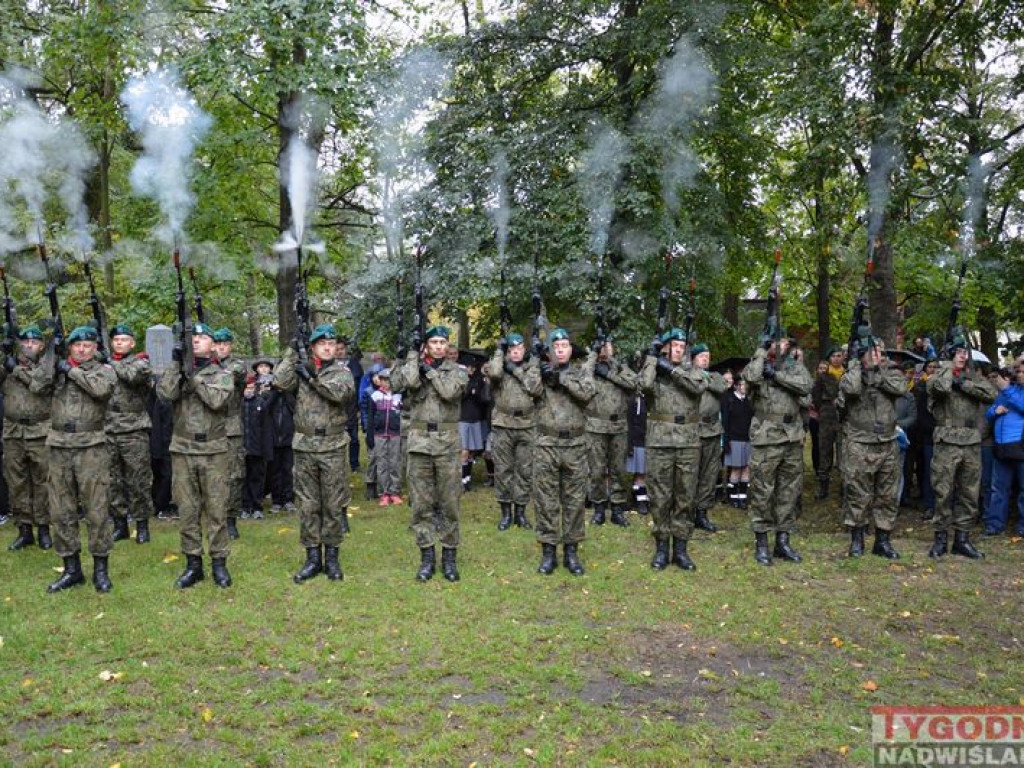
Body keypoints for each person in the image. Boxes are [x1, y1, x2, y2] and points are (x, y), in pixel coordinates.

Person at [274, 324, 356, 583]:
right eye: (323, 344)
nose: (328, 347)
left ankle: (332, 558)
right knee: (308, 504)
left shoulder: (342, 373)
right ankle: (312, 558)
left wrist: (312, 378)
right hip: (305, 446)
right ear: (313, 347)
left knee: (332, 504)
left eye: (332, 344)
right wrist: (291, 352)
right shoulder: (300, 370)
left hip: (332, 445)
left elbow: (337, 395)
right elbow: (278, 381)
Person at [158, 323, 236, 589]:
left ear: (213, 345)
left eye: (203, 337)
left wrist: (195, 376)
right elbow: (165, 393)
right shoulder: (179, 370)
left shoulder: (222, 373)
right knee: (188, 510)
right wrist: (176, 365)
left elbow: (216, 400)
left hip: (213, 451)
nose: (196, 341)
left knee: (216, 509)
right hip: (182, 449)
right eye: (193, 338)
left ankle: (219, 563)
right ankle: (193, 563)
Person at [41, 326, 117, 593]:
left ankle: (100, 570)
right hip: (59, 445)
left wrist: (70, 370)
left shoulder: (104, 370)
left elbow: (100, 390)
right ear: (70, 347)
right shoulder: (56, 369)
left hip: (90, 447)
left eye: (87, 346)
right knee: (61, 510)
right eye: (77, 346)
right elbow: (38, 384)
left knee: (96, 509)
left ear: (95, 348)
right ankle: (72, 569)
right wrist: (52, 352)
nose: (82, 350)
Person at [391, 325, 468, 582]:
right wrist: (412, 356)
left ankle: (449, 556)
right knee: (421, 504)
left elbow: (449, 393)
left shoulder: (457, 371)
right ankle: (426, 557)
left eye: (442, 342)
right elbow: (404, 382)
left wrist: (432, 373)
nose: (438, 346)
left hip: (447, 444)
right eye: (433, 342)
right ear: (426, 345)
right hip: (419, 443)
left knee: (449, 502)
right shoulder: (415, 367)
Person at [743, 332, 813, 565]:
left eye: (783, 342)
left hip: (792, 436)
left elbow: (805, 387)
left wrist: (778, 376)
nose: (780, 346)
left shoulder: (794, 368)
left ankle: (783, 541)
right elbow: (750, 378)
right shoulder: (758, 364)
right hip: (767, 436)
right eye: (775, 341)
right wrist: (761, 353)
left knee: (789, 490)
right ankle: (761, 542)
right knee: (762, 490)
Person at [640, 328, 707, 571]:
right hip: (660, 441)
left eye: (682, 345)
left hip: (688, 442)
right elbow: (643, 385)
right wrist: (652, 358)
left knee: (685, 496)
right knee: (660, 496)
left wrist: (672, 369)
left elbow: (697, 388)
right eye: (674, 345)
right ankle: (661, 547)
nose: (678, 349)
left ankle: (681, 548)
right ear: (666, 347)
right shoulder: (655, 373)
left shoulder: (693, 371)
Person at [925, 331, 996, 558]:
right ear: (949, 354)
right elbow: (941, 389)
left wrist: (963, 383)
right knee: (943, 491)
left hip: (971, 441)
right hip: (947, 441)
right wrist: (948, 369)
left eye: (965, 352)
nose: (962, 356)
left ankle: (962, 539)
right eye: (957, 352)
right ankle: (940, 538)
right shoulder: (938, 375)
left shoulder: (973, 377)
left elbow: (991, 394)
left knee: (969, 492)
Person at [835, 335, 907, 558]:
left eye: (881, 352)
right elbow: (852, 389)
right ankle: (857, 539)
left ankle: (883, 540)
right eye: (873, 352)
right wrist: (857, 365)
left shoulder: (891, 373)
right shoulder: (851, 376)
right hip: (859, 442)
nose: (879, 356)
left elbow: (900, 388)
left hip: (887, 442)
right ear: (862, 354)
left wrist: (877, 372)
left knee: (887, 494)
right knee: (858, 493)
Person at [532, 328, 596, 575]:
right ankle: (548, 551)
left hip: (575, 446)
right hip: (547, 444)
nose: (560, 350)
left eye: (564, 346)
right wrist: (538, 365)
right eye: (555, 347)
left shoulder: (581, 372)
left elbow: (587, 394)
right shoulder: (539, 370)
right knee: (546, 500)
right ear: (550, 351)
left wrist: (562, 379)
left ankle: (571, 551)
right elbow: (529, 389)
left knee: (574, 500)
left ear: (571, 350)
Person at [1, 325, 52, 552]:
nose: (28, 345)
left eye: (33, 342)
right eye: (24, 342)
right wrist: (4, 355)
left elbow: (40, 385)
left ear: (41, 345)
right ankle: (24, 529)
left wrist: (16, 370)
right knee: (16, 482)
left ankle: (44, 528)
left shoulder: (47, 365)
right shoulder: (9, 364)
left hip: (40, 431)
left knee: (43, 481)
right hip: (13, 432)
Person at [105, 324, 155, 544]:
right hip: (108, 428)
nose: (119, 343)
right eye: (116, 340)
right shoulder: (103, 363)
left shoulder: (141, 362)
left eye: (124, 340)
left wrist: (110, 363)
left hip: (133, 429)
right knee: (112, 480)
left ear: (132, 343)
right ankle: (120, 524)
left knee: (138, 480)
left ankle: (142, 524)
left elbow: (131, 376)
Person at [487, 332, 542, 530]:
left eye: (518, 348)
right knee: (503, 470)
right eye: (511, 349)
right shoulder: (499, 368)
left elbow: (535, 389)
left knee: (525, 470)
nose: (515, 352)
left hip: (527, 424)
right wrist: (499, 351)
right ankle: (505, 513)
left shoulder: (531, 368)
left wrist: (524, 366)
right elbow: (493, 373)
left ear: (524, 350)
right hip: (503, 424)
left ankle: (520, 512)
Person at [585, 339, 638, 528]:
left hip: (618, 426)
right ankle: (599, 508)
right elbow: (581, 382)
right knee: (597, 470)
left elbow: (634, 383)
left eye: (607, 345)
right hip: (595, 426)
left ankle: (617, 509)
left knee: (619, 470)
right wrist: (593, 357)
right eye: (601, 346)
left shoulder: (620, 367)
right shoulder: (589, 367)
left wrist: (609, 374)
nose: (604, 349)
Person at [212, 328, 247, 540]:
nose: (221, 347)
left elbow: (225, 384)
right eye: (217, 344)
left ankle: (231, 519)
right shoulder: (206, 366)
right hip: (210, 429)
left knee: (234, 476)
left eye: (225, 344)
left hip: (231, 428)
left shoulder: (237, 366)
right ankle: (215, 517)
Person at [692, 343, 729, 532]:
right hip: (694, 430)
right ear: (693, 358)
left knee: (709, 474)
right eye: (701, 356)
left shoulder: (714, 375)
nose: (705, 359)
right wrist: (702, 379)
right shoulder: (688, 375)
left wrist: (705, 380)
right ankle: (687, 512)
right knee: (691, 474)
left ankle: (702, 513)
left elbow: (722, 387)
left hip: (713, 430)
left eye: (707, 356)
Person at [984, 365, 1024, 536]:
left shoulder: (1010, 391)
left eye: (1022, 372)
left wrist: (1006, 388)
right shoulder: (1008, 391)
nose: (1019, 374)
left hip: (1020, 446)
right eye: (1019, 371)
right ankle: (994, 524)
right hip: (1001, 447)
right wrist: (995, 411)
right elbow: (988, 413)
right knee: (998, 488)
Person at [811, 346, 844, 500]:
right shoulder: (823, 376)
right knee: (825, 450)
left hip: (844, 416)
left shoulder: (847, 374)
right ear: (829, 358)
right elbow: (816, 396)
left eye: (840, 355)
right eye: (834, 356)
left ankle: (845, 489)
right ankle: (823, 487)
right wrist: (823, 408)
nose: (837, 358)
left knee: (843, 451)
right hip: (827, 414)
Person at [368, 368, 403, 505]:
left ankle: (395, 492)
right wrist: (370, 435)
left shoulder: (399, 396)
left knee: (395, 463)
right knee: (381, 463)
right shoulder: (374, 396)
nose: (386, 383)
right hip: (379, 434)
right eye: (383, 380)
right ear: (379, 381)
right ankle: (384, 493)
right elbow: (370, 417)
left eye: (389, 380)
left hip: (395, 434)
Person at [241, 373, 274, 520]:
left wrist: (266, 450)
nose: (249, 390)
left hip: (257, 449)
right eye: (246, 387)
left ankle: (256, 506)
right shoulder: (239, 404)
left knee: (257, 478)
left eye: (251, 387)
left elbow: (266, 428)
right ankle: (244, 506)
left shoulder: (261, 403)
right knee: (243, 479)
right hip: (242, 449)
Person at [459, 360, 491, 493]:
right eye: (468, 367)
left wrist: (476, 390)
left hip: (476, 419)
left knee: (472, 451)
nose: (470, 369)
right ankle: (461, 480)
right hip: (463, 419)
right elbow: (460, 396)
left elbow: (483, 398)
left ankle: (467, 478)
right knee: (464, 451)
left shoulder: (479, 380)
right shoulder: (461, 379)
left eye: (472, 367)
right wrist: (468, 389)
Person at [721, 376, 753, 508]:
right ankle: (733, 497)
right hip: (734, 439)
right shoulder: (729, 400)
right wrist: (726, 440)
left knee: (746, 468)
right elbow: (725, 421)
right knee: (736, 469)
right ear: (736, 386)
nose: (744, 387)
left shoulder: (749, 401)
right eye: (742, 385)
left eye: (746, 385)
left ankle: (743, 497)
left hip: (747, 438)